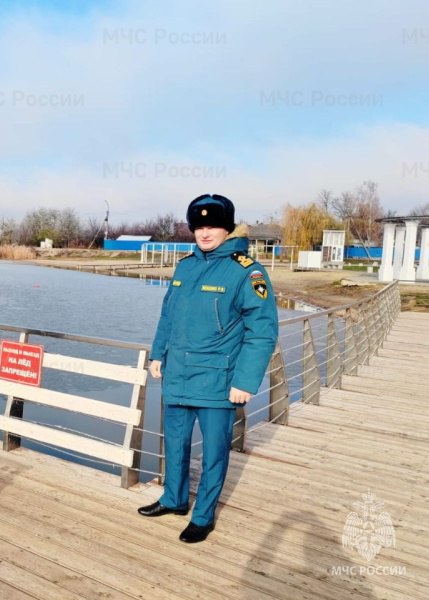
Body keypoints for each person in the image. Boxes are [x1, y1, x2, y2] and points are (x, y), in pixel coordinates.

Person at [138, 194, 278, 543]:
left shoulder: (246, 271)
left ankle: (202, 516)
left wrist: (246, 380)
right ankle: (174, 499)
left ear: (227, 227)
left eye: (212, 225)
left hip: (219, 381)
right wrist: (158, 354)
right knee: (175, 443)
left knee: (214, 453)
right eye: (198, 226)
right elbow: (168, 315)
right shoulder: (185, 266)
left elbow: (262, 332)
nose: (204, 232)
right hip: (177, 375)